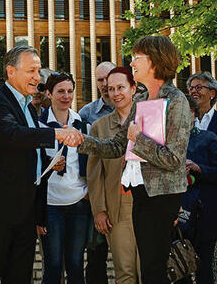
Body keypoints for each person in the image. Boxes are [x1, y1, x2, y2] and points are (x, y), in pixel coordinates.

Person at [77, 35, 193, 284]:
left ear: (154, 61)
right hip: (141, 192)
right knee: (150, 271)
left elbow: (173, 158)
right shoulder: (140, 99)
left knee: (153, 269)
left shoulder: (177, 101)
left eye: (136, 58)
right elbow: (118, 145)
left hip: (162, 196)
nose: (131, 63)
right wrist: (80, 141)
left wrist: (138, 139)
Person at [0, 46, 83, 284]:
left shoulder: (30, 110)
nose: (37, 77)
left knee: (19, 277)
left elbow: (26, 156)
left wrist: (49, 164)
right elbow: (12, 135)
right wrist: (57, 134)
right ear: (11, 71)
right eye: (31, 70)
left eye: (38, 70)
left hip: (25, 213)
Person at [86, 67, 140, 284]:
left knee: (150, 269)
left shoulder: (150, 119)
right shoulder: (100, 126)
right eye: (110, 89)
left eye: (121, 87)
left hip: (149, 203)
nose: (116, 93)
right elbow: (94, 173)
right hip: (118, 206)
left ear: (133, 88)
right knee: (124, 271)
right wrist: (99, 210)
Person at [37, 72, 91, 284]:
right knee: (53, 265)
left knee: (76, 264)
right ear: (49, 93)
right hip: (50, 204)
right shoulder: (38, 126)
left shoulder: (82, 124)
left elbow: (91, 164)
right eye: (60, 91)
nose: (66, 96)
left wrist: (88, 193)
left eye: (70, 91)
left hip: (78, 203)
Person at [75, 61, 117, 284]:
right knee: (95, 255)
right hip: (98, 194)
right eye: (99, 80)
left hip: (126, 193)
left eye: (107, 78)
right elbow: (83, 160)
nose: (103, 84)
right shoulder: (86, 114)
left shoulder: (132, 110)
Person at [181, 99, 217, 284]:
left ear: (194, 113)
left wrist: (197, 168)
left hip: (205, 212)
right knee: (179, 267)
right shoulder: (168, 141)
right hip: (179, 212)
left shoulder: (208, 138)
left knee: (204, 267)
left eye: (187, 111)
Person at [188, 72, 217, 139]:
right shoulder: (185, 121)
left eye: (198, 87)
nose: (193, 91)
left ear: (212, 93)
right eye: (191, 88)